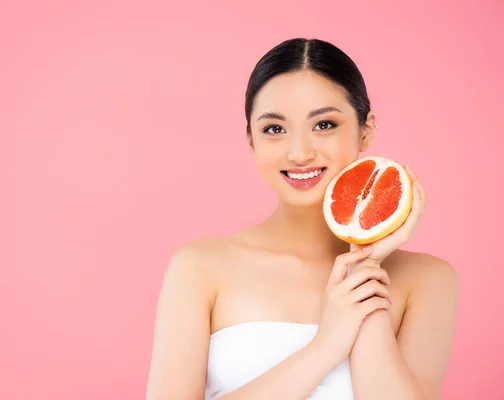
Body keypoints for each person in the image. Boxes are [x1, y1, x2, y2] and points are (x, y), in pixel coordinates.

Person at [145, 38, 458, 400]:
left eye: (324, 124)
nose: (299, 153)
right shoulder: (199, 267)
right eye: (274, 129)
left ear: (366, 129)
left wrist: (363, 267)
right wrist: (325, 346)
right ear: (251, 140)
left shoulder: (428, 281)